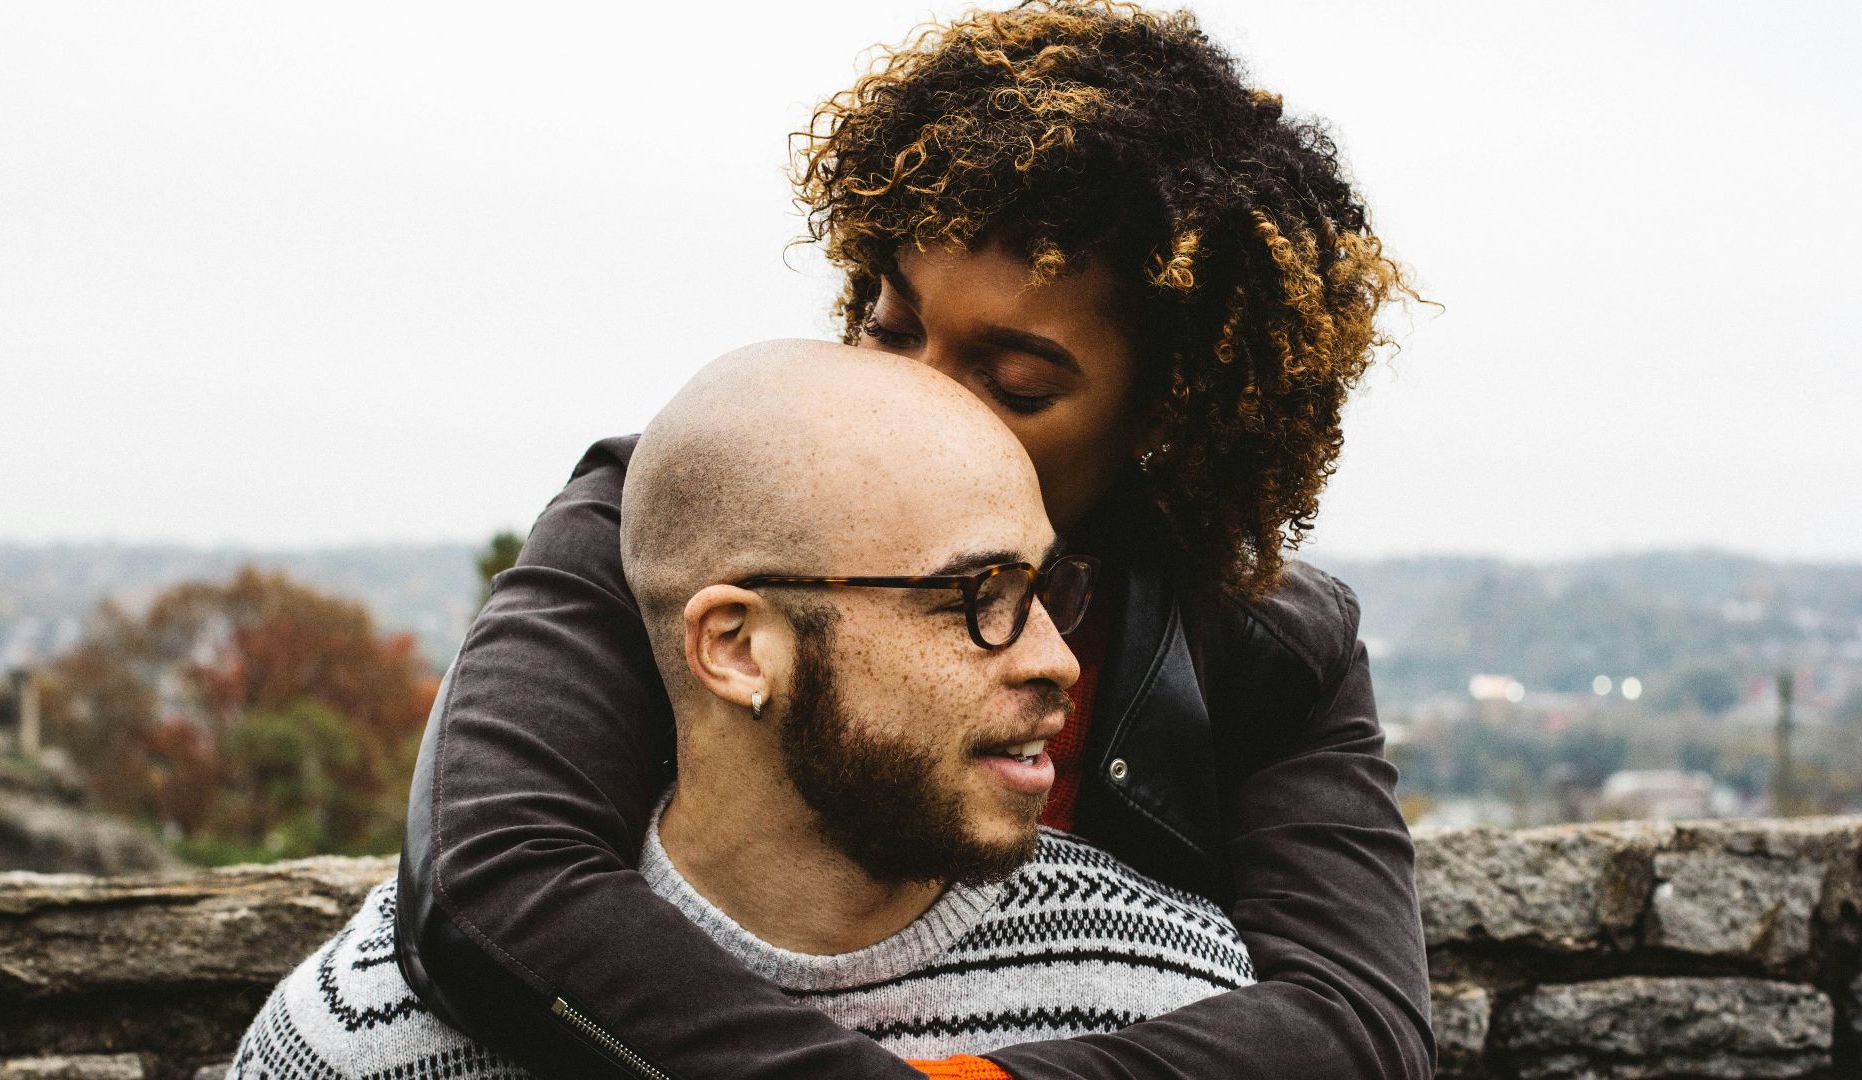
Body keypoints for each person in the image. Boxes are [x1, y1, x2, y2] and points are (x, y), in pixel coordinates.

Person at [396, 3, 1433, 1079]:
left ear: (1163, 417)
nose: (915, 395)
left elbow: (1357, 1026)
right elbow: (489, 884)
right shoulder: (672, 515)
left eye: (1015, 382)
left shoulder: (1269, 645)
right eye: (890, 328)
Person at [232, 343, 1255, 1079]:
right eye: (972, 598)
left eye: (1043, 591)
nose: (1056, 660)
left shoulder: (1169, 992)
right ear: (736, 648)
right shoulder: (369, 1039)